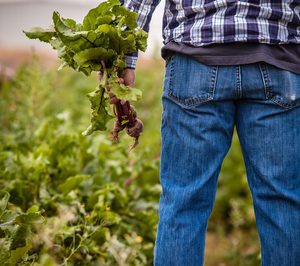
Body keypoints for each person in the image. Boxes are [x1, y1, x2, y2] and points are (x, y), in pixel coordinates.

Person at [118, 1, 300, 265]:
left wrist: (122, 59)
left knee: (184, 202)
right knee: (283, 202)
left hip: (195, 59)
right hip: (278, 59)